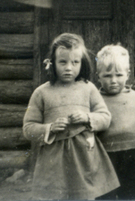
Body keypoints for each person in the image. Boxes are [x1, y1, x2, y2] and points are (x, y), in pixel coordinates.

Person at [23, 33, 119, 200]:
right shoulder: (41, 93)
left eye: (75, 62)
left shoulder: (88, 88)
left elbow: (105, 117)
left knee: (83, 196)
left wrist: (87, 118)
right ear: (52, 63)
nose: (69, 68)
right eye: (63, 62)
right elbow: (28, 128)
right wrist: (49, 128)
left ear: (82, 63)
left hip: (85, 158)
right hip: (53, 161)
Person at [95, 44, 135, 200]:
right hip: (104, 156)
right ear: (98, 76)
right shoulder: (95, 99)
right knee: (105, 195)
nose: (114, 80)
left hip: (131, 154)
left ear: (128, 74)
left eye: (119, 75)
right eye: (107, 76)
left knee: (129, 195)